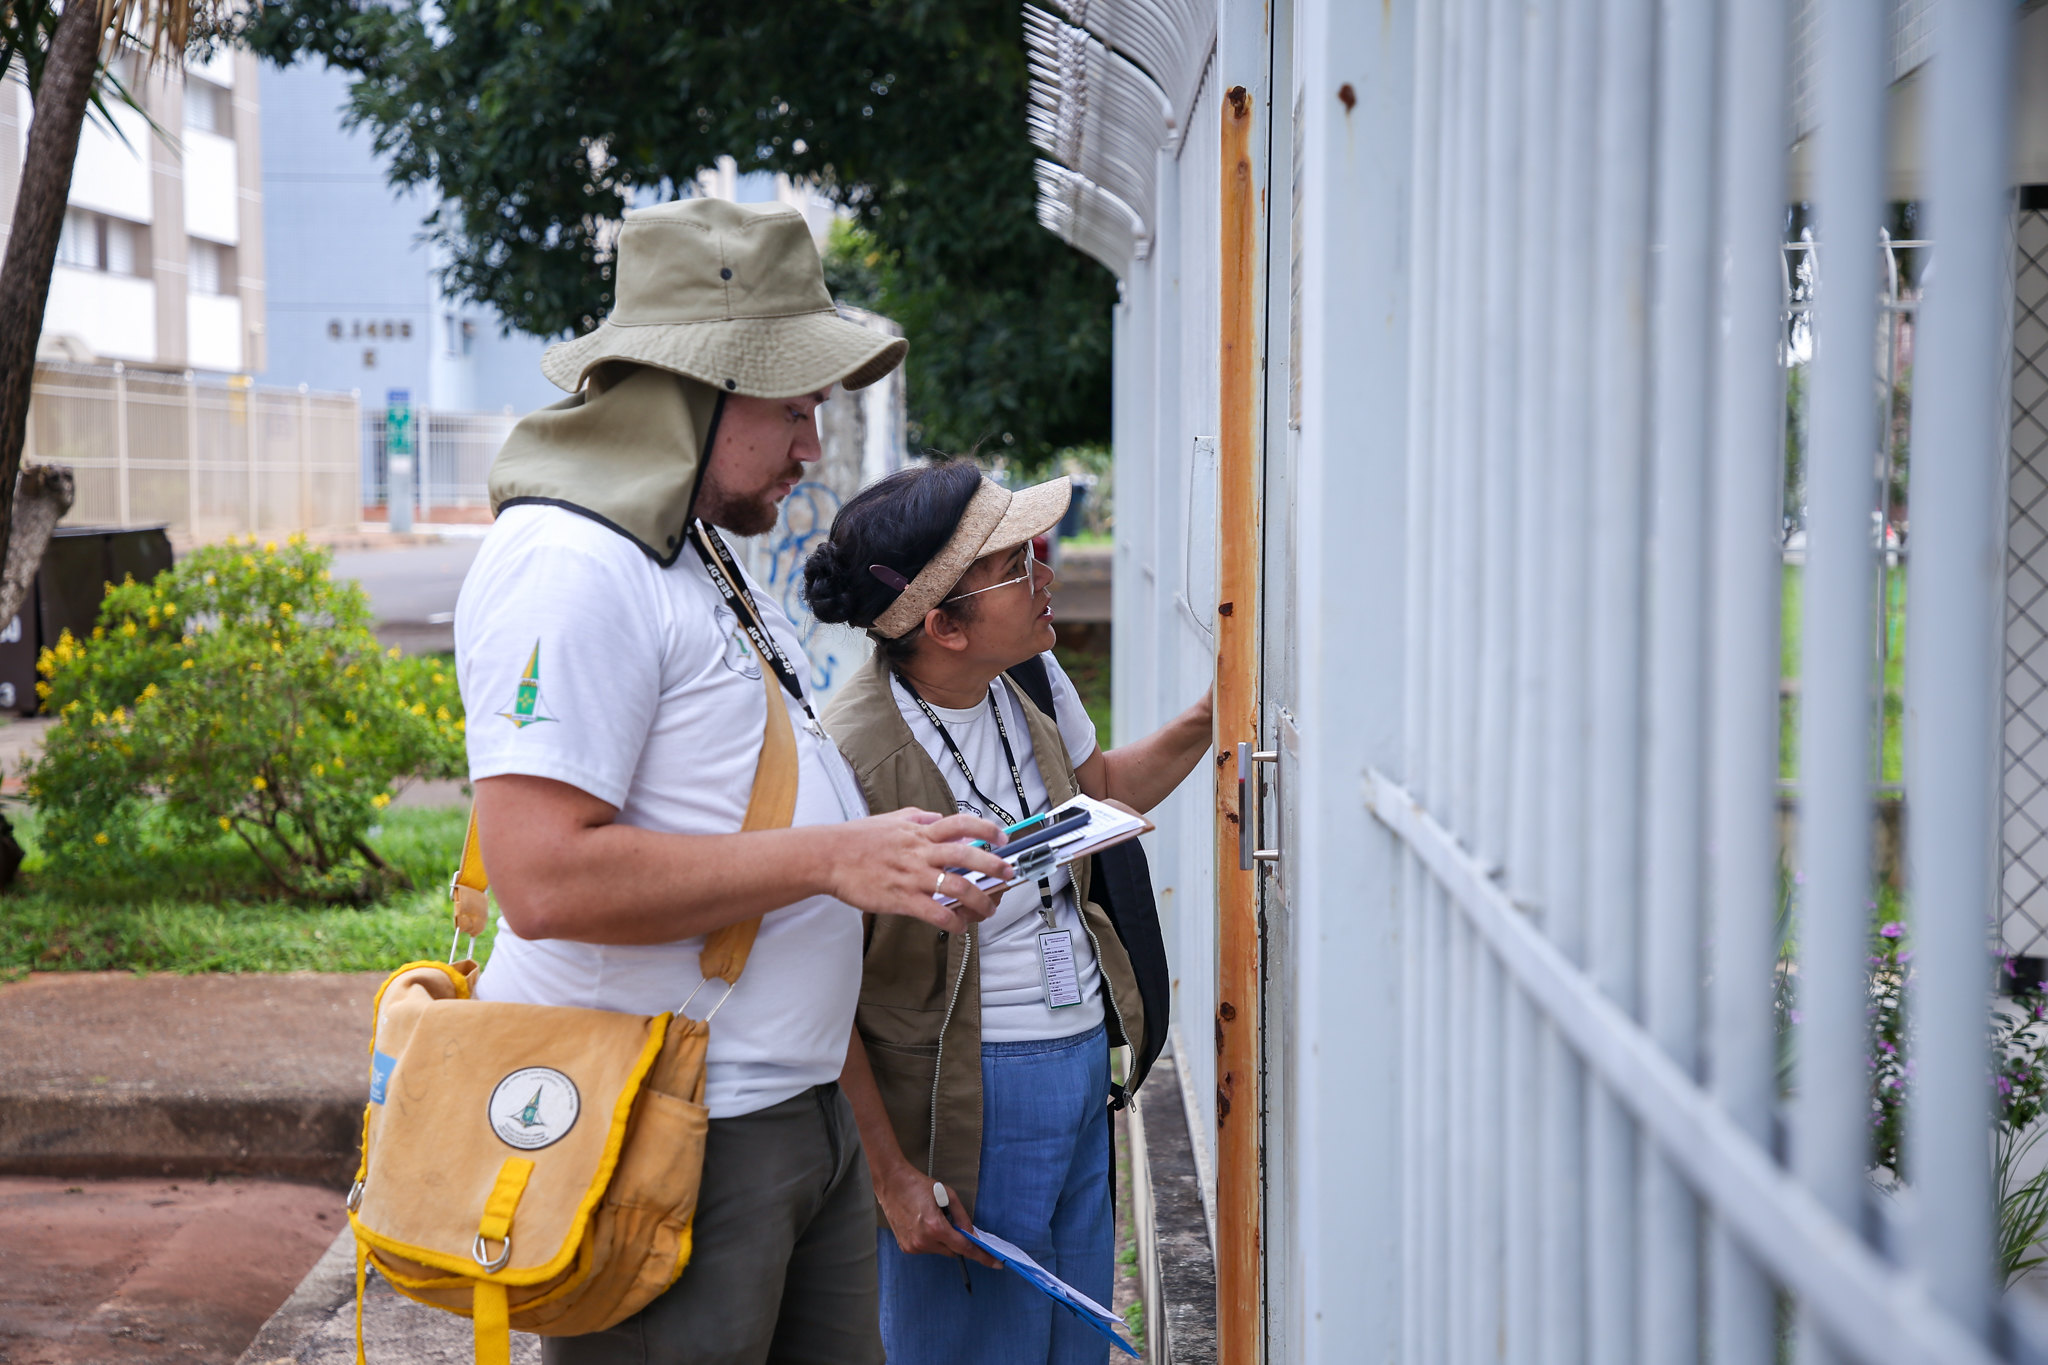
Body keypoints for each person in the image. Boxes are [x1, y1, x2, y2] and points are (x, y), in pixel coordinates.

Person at [453, 200, 1015, 1365]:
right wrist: (832, 857)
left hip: (790, 1110)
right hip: (668, 1126)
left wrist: (884, 866)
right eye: (794, 406)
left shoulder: (687, 553)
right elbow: (543, 878)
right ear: (690, 391)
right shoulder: (572, 564)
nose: (812, 445)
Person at [802, 459, 1214, 1365]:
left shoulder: (1027, 676)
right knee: (970, 1344)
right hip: (966, 1097)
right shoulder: (851, 758)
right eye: (1018, 563)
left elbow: (1096, 790)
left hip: (1074, 1068)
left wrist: (1213, 716)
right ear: (943, 624)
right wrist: (893, 1176)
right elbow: (818, 992)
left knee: (1074, 1340)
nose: (1048, 573)